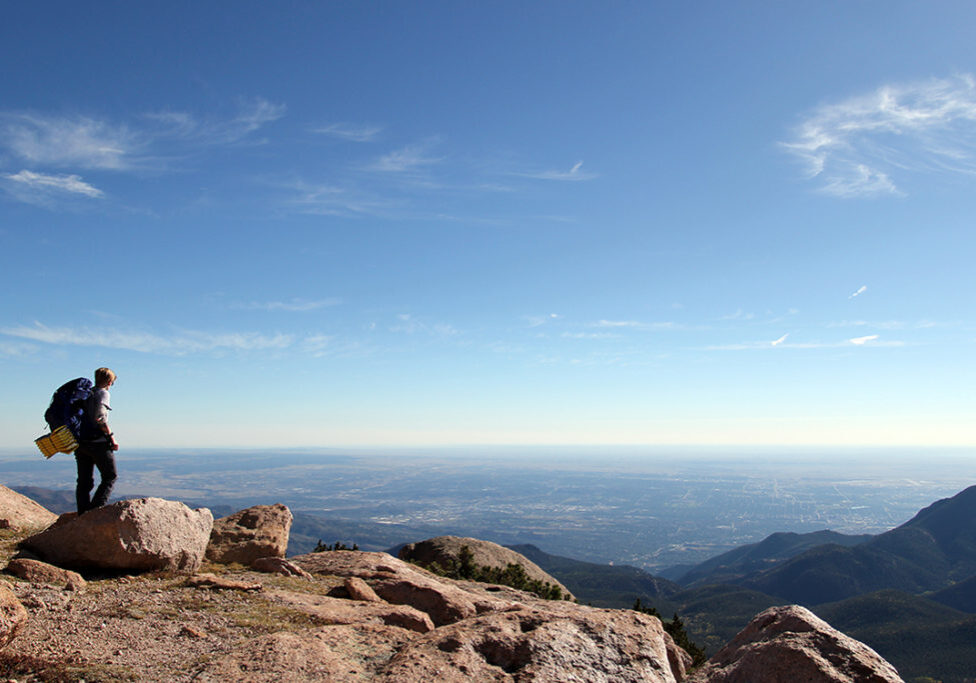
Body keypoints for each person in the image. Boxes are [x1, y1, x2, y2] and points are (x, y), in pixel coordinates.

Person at [75, 367, 119, 514]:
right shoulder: (102, 393)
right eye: (112, 382)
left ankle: (82, 513)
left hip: (81, 442)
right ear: (109, 381)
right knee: (110, 476)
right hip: (98, 442)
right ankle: (94, 512)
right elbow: (100, 417)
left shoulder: (86, 394)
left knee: (84, 481)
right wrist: (111, 437)